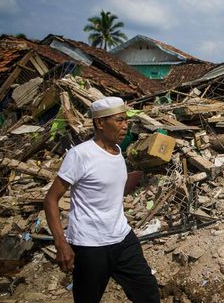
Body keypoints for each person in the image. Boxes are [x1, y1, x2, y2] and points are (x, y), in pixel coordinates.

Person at [44, 97, 159, 303]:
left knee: (148, 292)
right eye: (119, 120)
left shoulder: (118, 151)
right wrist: (61, 243)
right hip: (91, 245)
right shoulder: (81, 155)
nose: (125, 126)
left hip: (122, 238)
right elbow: (51, 199)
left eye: (126, 120)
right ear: (100, 123)